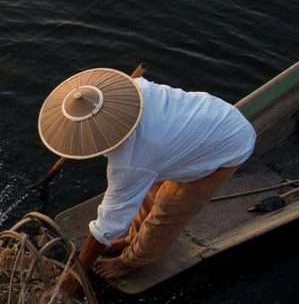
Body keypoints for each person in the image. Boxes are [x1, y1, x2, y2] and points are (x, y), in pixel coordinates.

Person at [37, 68, 256, 281]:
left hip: (225, 145)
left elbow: (107, 225)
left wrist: (75, 274)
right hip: (203, 119)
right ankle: (131, 238)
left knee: (168, 210)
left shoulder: (131, 163)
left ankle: (132, 260)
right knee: (148, 192)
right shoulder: (128, 91)